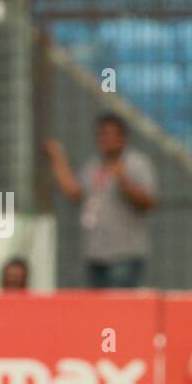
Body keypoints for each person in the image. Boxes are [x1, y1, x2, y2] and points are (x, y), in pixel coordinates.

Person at [44, 113, 156, 288]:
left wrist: (124, 181)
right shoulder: (94, 165)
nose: (106, 139)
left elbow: (148, 202)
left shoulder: (137, 164)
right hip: (95, 254)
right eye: (102, 134)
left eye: (111, 135)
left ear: (122, 138)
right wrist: (58, 159)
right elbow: (75, 192)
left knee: (119, 309)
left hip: (124, 255)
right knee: (99, 311)